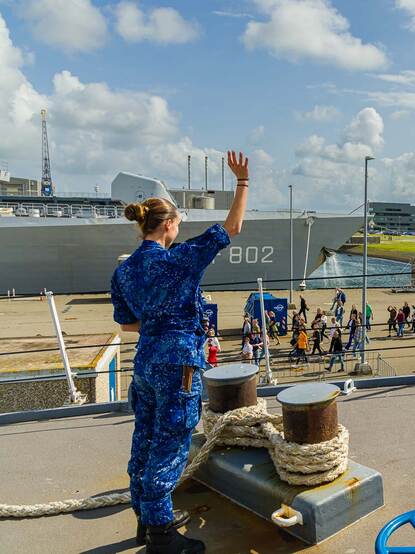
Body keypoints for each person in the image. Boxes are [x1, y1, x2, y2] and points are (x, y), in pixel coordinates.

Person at [110, 150, 249, 552]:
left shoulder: (124, 270)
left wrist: (158, 321)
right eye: (177, 222)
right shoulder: (178, 262)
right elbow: (232, 227)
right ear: (169, 224)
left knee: (145, 438)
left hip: (146, 362)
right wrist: (242, 182)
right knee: (170, 444)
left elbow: (126, 324)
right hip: (177, 365)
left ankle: (144, 520)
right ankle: (162, 538)